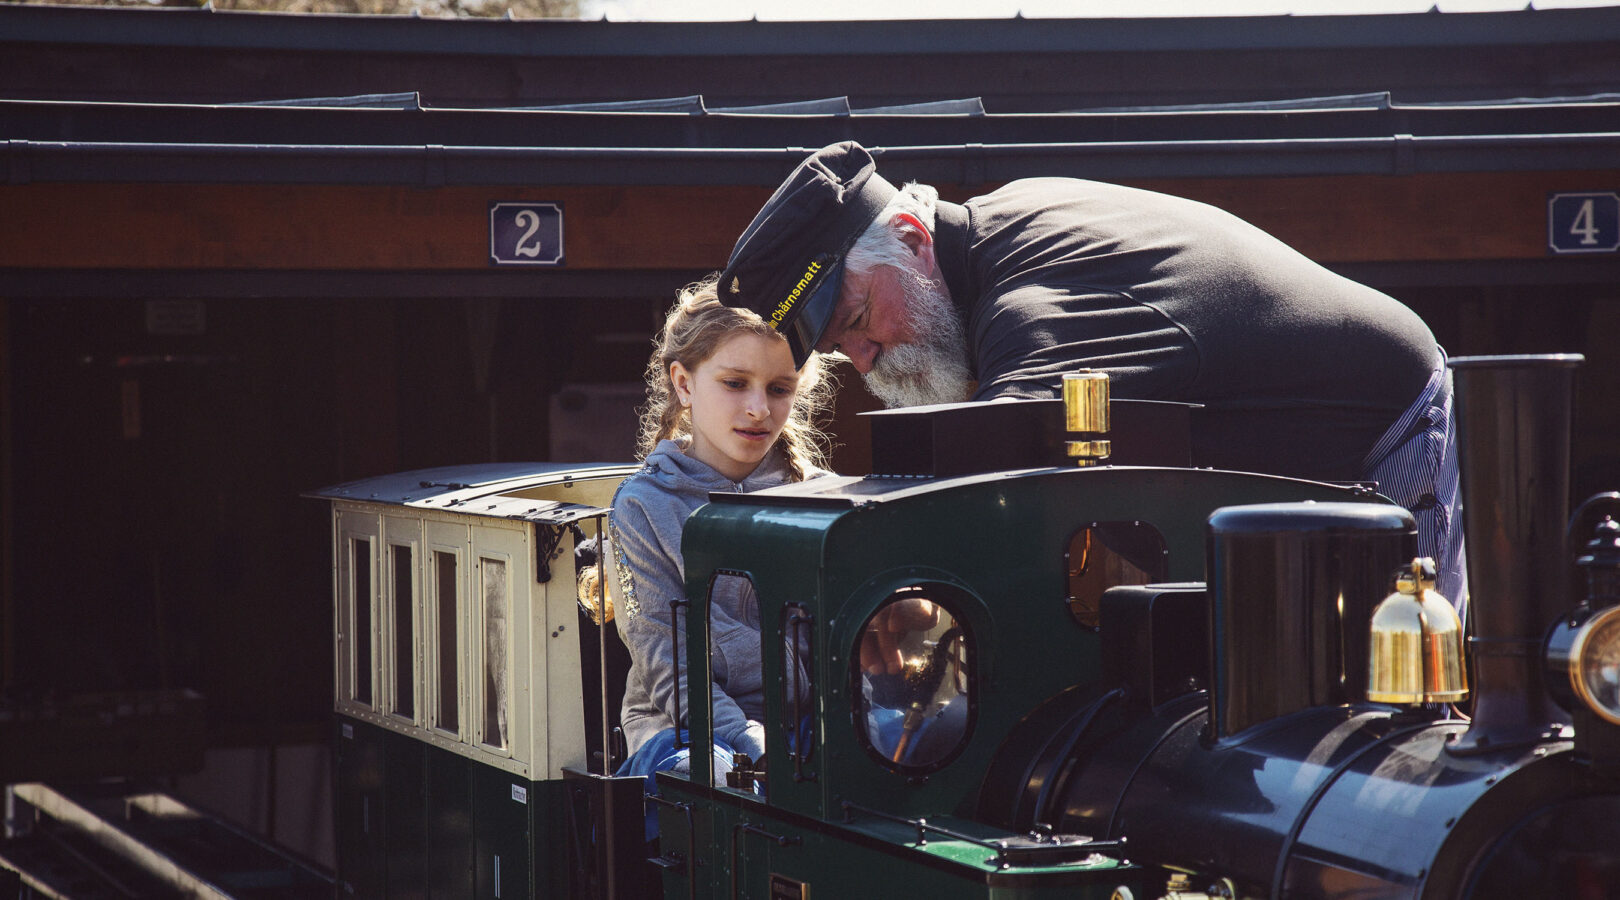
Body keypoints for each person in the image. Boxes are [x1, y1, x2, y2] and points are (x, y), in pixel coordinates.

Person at [714, 141, 1467, 609]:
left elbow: (986, 503)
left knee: (1394, 706)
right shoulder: (999, 231)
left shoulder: (1036, 310)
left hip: (1387, 428)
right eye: (842, 350)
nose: (864, 358)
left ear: (911, 239)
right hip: (1280, 480)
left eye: (854, 321)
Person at [605, 273, 833, 810]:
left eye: (779, 389)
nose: (759, 409)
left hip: (804, 725)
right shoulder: (641, 506)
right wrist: (748, 738)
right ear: (683, 383)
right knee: (704, 780)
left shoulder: (823, 495)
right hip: (683, 732)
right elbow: (666, 660)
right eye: (735, 383)